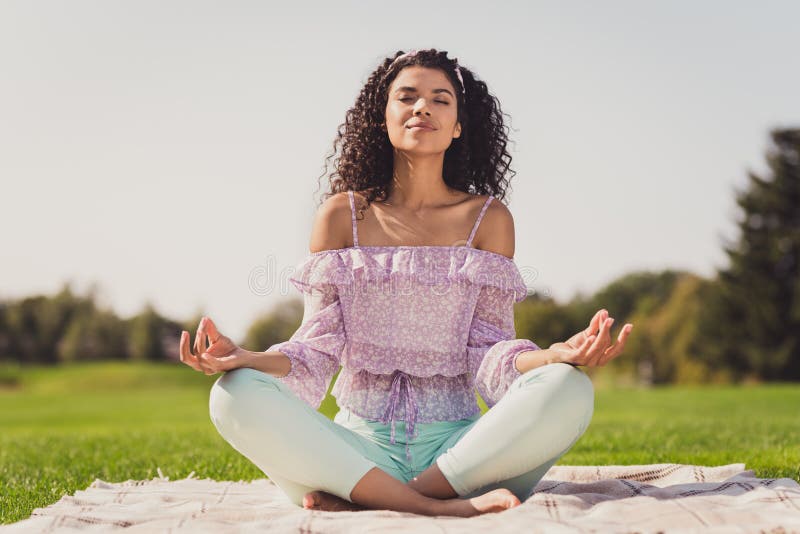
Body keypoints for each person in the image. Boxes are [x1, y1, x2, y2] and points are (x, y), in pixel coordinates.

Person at [178, 48, 633, 517]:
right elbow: (316, 350)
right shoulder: (341, 216)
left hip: (461, 455)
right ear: (384, 117)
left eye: (440, 99)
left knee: (569, 388)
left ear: (457, 125)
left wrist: (553, 356)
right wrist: (245, 358)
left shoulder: (488, 220)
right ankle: (439, 508)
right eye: (407, 97)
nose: (422, 107)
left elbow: (490, 349)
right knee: (234, 394)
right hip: (355, 453)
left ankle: (387, 500)